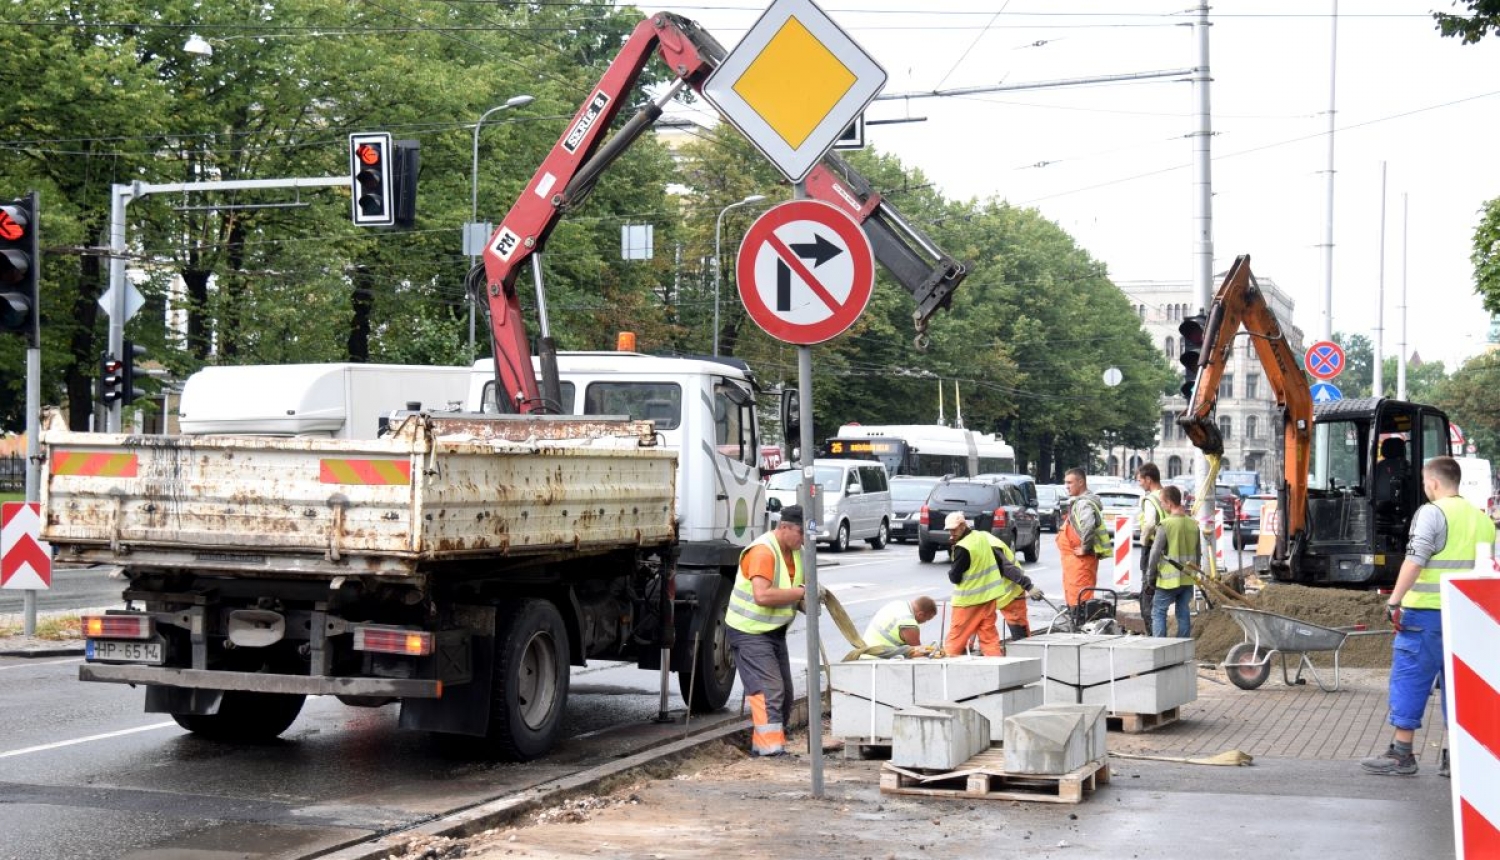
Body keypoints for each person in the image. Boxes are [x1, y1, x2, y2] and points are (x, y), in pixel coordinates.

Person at [1361, 456, 1496, 777]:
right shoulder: (1483, 521)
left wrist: (1394, 602)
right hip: (1468, 617)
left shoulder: (1432, 513)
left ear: (1433, 483)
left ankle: (1402, 754)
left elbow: (1415, 560)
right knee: (1461, 684)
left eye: (1425, 483)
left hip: (1426, 616)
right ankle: (1456, 757)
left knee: (1410, 678)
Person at [725, 504, 808, 758]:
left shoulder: (796, 552)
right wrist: (801, 593)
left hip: (773, 631)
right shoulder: (763, 551)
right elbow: (762, 595)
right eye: (801, 533)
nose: (804, 539)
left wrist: (806, 600)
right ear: (784, 527)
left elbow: (794, 587)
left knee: (785, 694)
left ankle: (775, 742)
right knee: (769, 689)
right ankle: (768, 750)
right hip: (749, 631)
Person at [944, 513, 1044, 656]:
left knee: (959, 635)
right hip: (989, 597)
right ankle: (994, 663)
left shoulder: (969, 545)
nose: (951, 533)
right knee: (988, 637)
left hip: (1004, 593)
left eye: (953, 530)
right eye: (949, 530)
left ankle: (1025, 654)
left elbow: (1006, 567)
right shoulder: (980, 538)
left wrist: (1028, 586)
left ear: (962, 526)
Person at [1144, 485, 1199, 638]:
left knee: (1158, 611)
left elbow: (1154, 554)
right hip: (1187, 578)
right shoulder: (1193, 524)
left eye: (1162, 502)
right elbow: (1198, 554)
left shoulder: (1166, 525)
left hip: (1168, 580)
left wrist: (1150, 577)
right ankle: (1183, 646)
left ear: (1169, 503)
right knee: (1183, 611)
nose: (1161, 505)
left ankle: (1160, 647)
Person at [1057, 468, 1109, 608]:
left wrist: (1085, 548)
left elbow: (1088, 525)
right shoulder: (1080, 502)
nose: (1066, 486)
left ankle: (1079, 626)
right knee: (1076, 596)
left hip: (1081, 562)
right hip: (1075, 562)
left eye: (1070, 482)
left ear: (1081, 482)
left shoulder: (1083, 503)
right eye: (1065, 483)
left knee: (1081, 600)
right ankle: (1077, 621)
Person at [1135, 463, 1167, 635]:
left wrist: (1143, 540)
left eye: (1140, 480)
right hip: (1167, 548)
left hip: (1152, 546)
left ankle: (1152, 635)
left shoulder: (1151, 499)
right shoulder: (1168, 494)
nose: (1139, 483)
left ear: (1148, 479)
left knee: (1147, 591)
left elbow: (1149, 524)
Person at [862, 596, 938, 652]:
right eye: (926, 619)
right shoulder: (909, 622)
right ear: (920, 614)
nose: (924, 623)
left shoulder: (897, 604)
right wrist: (933, 651)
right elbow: (917, 650)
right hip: (878, 658)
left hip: (866, 648)